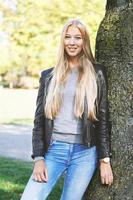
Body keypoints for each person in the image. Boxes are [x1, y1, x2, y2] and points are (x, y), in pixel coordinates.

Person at [20, 19, 113, 200]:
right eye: (68, 37)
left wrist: (104, 160)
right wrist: (38, 158)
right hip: (54, 151)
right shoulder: (48, 76)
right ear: (62, 41)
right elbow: (39, 121)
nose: (72, 42)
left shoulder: (97, 73)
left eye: (77, 38)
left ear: (84, 41)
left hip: (85, 154)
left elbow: (103, 120)